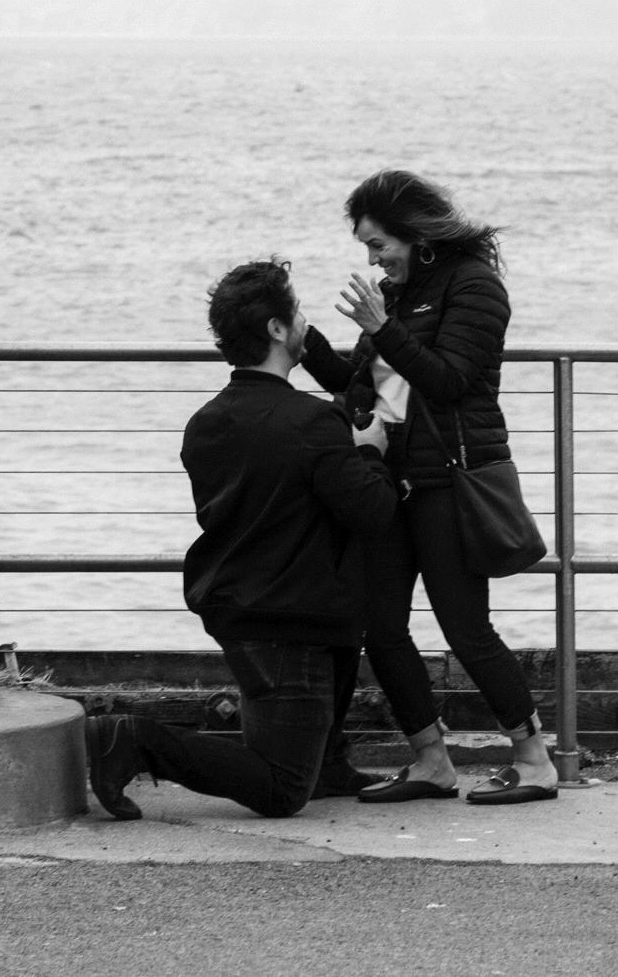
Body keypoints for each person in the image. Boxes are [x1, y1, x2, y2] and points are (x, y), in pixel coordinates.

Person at [86, 259, 395, 820]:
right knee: (282, 790)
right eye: (297, 312)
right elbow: (373, 512)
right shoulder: (312, 422)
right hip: (289, 620)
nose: (305, 323)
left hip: (237, 602)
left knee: (315, 688)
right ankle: (133, 740)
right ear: (276, 328)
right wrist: (370, 452)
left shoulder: (206, 421)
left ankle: (325, 762)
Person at [301, 170, 558, 805]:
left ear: (415, 235)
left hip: (449, 480)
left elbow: (449, 380)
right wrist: (301, 337)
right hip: (389, 482)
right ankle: (431, 761)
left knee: (466, 629)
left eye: (378, 244)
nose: (373, 259)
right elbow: (360, 385)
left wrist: (381, 326)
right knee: (380, 627)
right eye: (366, 248)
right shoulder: (395, 293)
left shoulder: (474, 285)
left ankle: (535, 761)